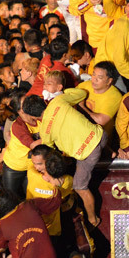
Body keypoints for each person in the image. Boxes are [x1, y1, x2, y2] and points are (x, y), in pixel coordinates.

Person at [22, 91, 106, 227]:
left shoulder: (45, 131)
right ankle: (113, 152)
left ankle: (93, 220)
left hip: (89, 153)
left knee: (80, 187)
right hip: (100, 136)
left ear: (33, 116)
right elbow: (82, 93)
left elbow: (49, 156)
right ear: (43, 101)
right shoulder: (58, 101)